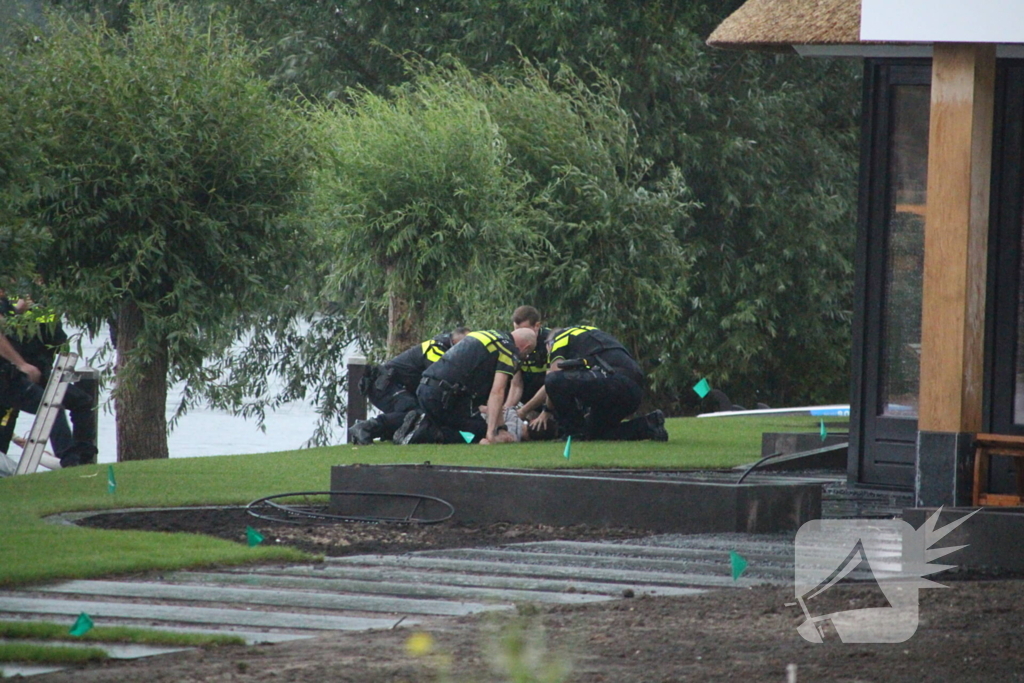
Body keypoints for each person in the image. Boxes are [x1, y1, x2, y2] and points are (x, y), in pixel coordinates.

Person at [0, 296, 97, 467]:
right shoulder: (8, 305)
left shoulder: (41, 303)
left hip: (36, 373)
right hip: (10, 377)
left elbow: (59, 342)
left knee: (81, 401)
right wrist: (16, 312)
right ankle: (69, 460)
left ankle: (84, 457)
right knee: (50, 406)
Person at [396, 328, 537, 445]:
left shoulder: (486, 334)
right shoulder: (509, 349)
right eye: (527, 354)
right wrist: (491, 433)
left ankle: (418, 423)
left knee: (454, 423)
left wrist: (500, 427)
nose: (525, 357)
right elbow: (498, 391)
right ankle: (424, 432)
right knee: (477, 433)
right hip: (444, 397)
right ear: (526, 347)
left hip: (425, 388)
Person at [529, 326, 668, 442]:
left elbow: (553, 376)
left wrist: (546, 411)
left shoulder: (559, 338)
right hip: (633, 389)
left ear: (549, 344)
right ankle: (649, 424)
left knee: (554, 379)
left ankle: (573, 433)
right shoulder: (589, 334)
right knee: (594, 433)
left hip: (614, 381)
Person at [350, 327, 470, 444]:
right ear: (455, 342)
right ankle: (365, 427)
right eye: (466, 345)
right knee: (415, 414)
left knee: (421, 415)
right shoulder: (435, 348)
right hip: (385, 386)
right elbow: (442, 376)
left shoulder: (446, 350)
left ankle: (388, 432)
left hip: (395, 387)